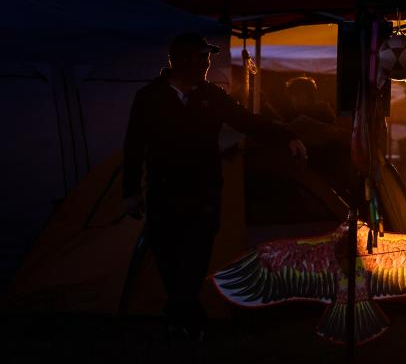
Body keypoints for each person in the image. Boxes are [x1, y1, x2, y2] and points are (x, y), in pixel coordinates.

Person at [122, 32, 307, 339]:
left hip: (203, 190)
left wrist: (287, 135)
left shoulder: (212, 96)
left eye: (207, 58)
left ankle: (181, 317)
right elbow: (134, 145)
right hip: (165, 190)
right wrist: (130, 191)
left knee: (195, 255)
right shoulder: (150, 98)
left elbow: (246, 121)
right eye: (201, 57)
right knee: (168, 255)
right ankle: (185, 316)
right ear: (181, 61)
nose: (206, 63)